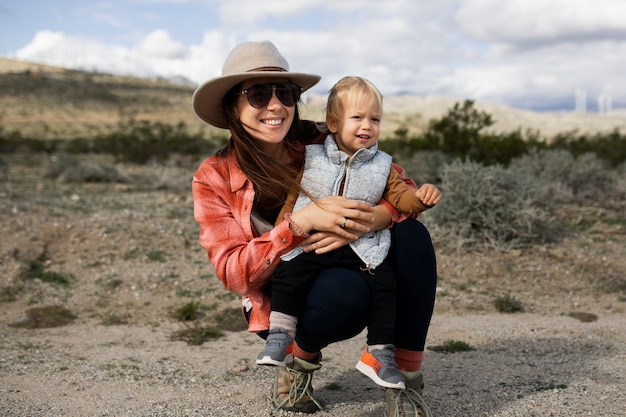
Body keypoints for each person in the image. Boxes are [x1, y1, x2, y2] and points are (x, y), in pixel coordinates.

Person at [192, 40, 437, 416]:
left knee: (412, 239)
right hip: (282, 286)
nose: (275, 105)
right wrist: (302, 223)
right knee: (341, 297)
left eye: (286, 93)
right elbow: (234, 273)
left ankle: (404, 378)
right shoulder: (213, 177)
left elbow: (397, 182)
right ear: (231, 106)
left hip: (346, 260)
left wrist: (375, 218)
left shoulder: (320, 139)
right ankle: (298, 362)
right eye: (257, 94)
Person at [255, 76, 440, 393]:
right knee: (290, 273)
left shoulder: (382, 166)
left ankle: (379, 354)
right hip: (313, 245)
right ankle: (280, 337)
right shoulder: (312, 157)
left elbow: (402, 199)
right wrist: (288, 225)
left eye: (375, 119)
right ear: (333, 123)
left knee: (385, 287)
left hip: (360, 251)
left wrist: (420, 198)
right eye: (357, 117)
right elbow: (293, 198)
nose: (366, 126)